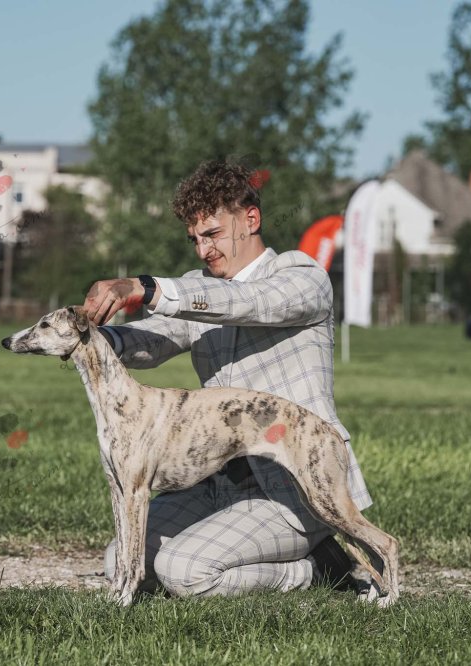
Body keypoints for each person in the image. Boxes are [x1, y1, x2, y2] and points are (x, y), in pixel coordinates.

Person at [81, 159, 372, 598]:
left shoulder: (302, 276)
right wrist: (87, 338)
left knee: (183, 571)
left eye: (212, 234)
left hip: (296, 489)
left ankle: (319, 570)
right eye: (194, 239)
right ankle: (283, 558)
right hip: (216, 481)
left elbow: (249, 302)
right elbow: (150, 341)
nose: (203, 250)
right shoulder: (200, 290)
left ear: (250, 220)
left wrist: (149, 287)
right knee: (118, 561)